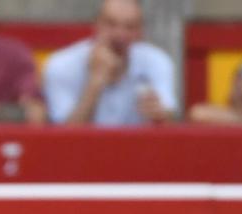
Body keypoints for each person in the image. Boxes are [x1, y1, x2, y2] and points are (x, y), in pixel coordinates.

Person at [43, 0, 175, 126]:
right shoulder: (61, 65)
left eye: (130, 27)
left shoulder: (157, 62)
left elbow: (169, 119)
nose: (120, 34)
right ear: (96, 24)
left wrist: (160, 115)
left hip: (139, 148)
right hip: (84, 149)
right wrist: (95, 83)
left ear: (140, 31)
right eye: (111, 24)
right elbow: (64, 138)